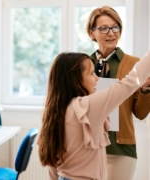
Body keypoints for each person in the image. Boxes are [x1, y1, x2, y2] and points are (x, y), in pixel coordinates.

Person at [37, 50, 150, 180]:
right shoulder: (86, 106)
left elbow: (53, 166)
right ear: (75, 80)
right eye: (91, 73)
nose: (97, 78)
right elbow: (128, 84)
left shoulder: (56, 110)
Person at [86, 6, 150, 180]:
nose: (111, 33)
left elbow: (141, 114)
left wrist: (145, 89)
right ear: (92, 33)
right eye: (104, 28)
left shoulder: (134, 64)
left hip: (121, 149)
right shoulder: (83, 65)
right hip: (88, 148)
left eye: (116, 27)